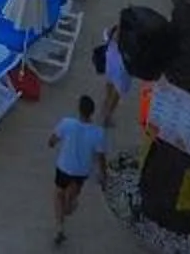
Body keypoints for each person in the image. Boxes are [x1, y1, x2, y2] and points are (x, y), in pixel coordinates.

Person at [48, 93, 105, 244]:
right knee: (72, 197)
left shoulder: (67, 123)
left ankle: (60, 228)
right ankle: (69, 204)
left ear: (78, 109)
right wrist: (103, 173)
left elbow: (52, 140)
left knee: (58, 194)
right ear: (92, 112)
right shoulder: (98, 133)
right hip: (81, 172)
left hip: (63, 167)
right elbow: (100, 157)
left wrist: (52, 143)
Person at [96, 15, 133, 124]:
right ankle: (108, 116)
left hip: (110, 64)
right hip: (122, 71)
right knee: (117, 93)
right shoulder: (129, 41)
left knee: (109, 83)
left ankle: (106, 102)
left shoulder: (112, 32)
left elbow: (105, 35)